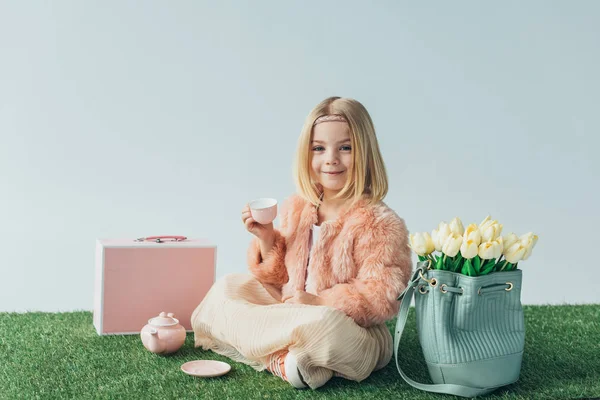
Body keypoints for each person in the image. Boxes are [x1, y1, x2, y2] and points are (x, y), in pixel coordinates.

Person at [191, 96, 412, 389]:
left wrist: (320, 302)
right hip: (290, 310)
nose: (331, 159)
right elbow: (281, 277)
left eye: (345, 148)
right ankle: (296, 361)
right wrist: (267, 237)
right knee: (228, 288)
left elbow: (382, 296)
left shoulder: (380, 221)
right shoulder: (299, 206)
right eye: (319, 148)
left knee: (325, 328)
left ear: (366, 153)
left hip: (348, 326)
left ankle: (281, 353)